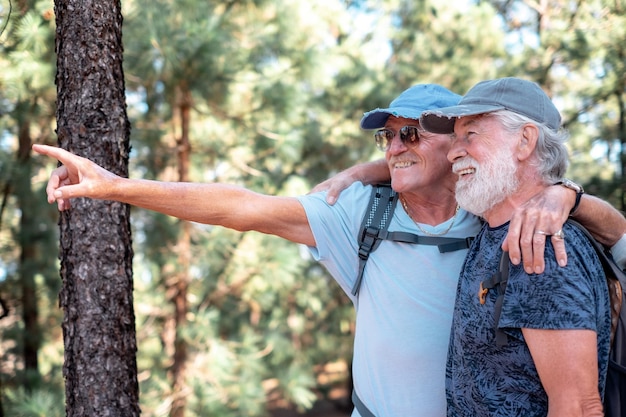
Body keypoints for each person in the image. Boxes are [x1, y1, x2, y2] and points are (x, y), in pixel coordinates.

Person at [32, 83, 623, 417]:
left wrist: (566, 196)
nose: (394, 145)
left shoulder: (513, 226)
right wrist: (115, 187)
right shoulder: (368, 216)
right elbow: (241, 206)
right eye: (385, 136)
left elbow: (578, 396)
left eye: (413, 133)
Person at [419, 77, 613, 416]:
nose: (453, 152)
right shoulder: (495, 225)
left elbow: (578, 407)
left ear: (525, 141)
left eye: (471, 134)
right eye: (454, 138)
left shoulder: (542, 247)